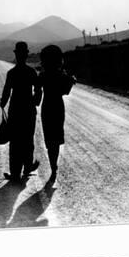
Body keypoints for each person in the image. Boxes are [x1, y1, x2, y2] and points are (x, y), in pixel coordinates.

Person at [0, 42, 42, 182]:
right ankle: (27, 167)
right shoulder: (31, 72)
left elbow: (7, 91)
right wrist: (36, 101)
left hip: (15, 110)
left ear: (16, 55)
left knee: (15, 142)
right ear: (26, 55)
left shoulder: (11, 73)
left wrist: (3, 103)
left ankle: (15, 173)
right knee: (27, 140)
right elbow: (38, 89)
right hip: (29, 110)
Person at [38, 44, 76, 181]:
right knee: (56, 138)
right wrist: (71, 80)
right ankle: (54, 167)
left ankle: (53, 166)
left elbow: (37, 97)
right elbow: (65, 91)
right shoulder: (61, 75)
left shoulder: (43, 75)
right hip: (58, 107)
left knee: (49, 140)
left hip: (47, 107)